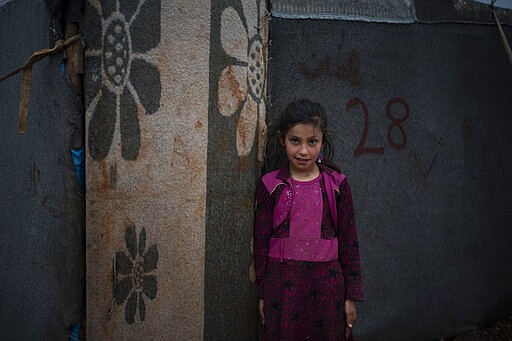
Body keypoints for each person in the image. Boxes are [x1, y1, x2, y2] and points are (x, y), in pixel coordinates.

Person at [254, 99, 364, 340]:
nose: (303, 151)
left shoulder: (337, 184)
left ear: (322, 141)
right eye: (295, 141)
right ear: (283, 138)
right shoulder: (271, 186)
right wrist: (262, 294)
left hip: (328, 294)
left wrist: (351, 297)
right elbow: (261, 243)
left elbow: (350, 243)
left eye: (312, 141)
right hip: (282, 294)